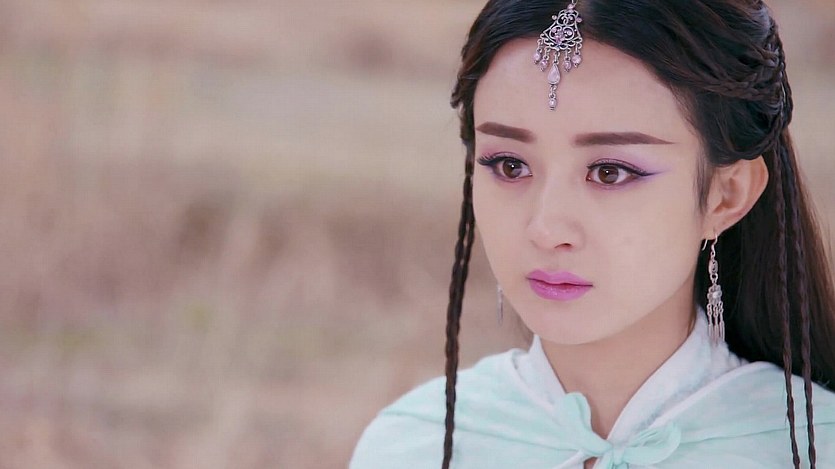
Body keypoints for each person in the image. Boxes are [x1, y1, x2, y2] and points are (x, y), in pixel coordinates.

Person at [350, 0, 835, 467]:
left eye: (609, 172)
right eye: (510, 165)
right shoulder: (413, 447)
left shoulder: (813, 444)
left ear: (725, 195)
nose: (546, 229)